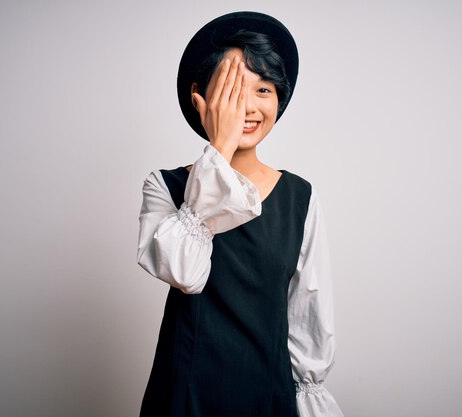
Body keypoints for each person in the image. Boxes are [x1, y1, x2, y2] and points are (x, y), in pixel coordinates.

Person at [137, 11, 344, 417]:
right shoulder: (165, 187)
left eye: (263, 89)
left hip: (267, 398)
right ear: (200, 97)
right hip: (182, 396)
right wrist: (220, 148)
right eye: (232, 90)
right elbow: (184, 272)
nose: (247, 107)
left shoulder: (300, 198)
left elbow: (309, 320)